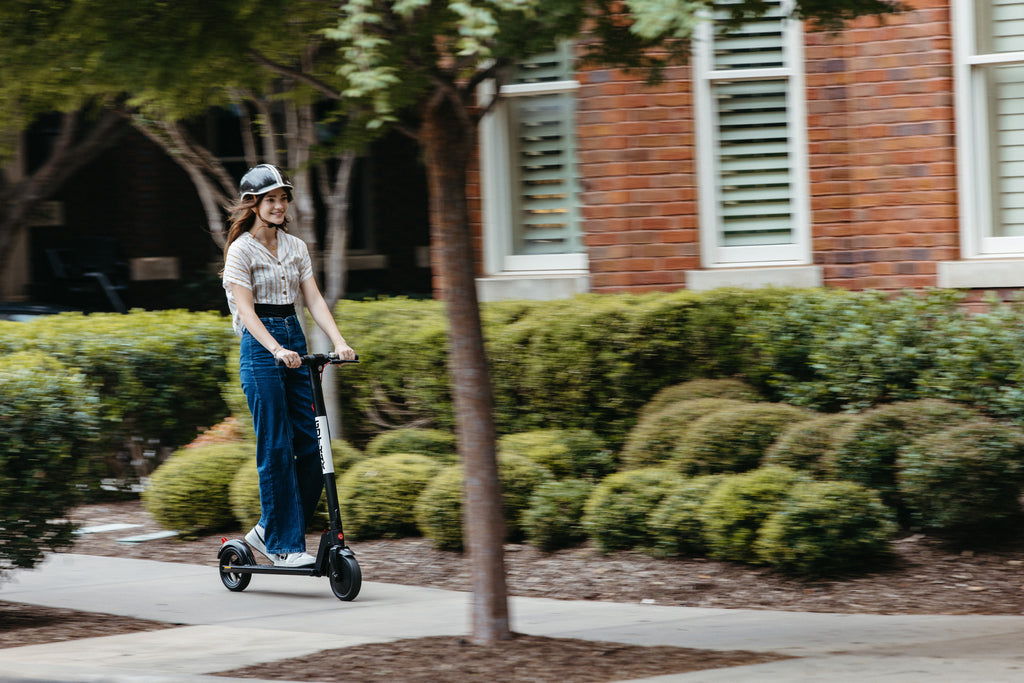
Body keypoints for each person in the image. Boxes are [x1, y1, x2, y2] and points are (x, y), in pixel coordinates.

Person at [222, 164, 356, 567]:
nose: (279, 206)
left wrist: (338, 341)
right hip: (260, 347)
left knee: (315, 445)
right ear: (254, 205)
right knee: (276, 446)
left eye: (283, 199)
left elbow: (312, 300)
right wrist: (276, 348)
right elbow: (246, 311)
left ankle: (267, 528)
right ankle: (283, 547)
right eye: (271, 200)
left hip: (294, 338)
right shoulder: (241, 250)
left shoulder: (296, 246)